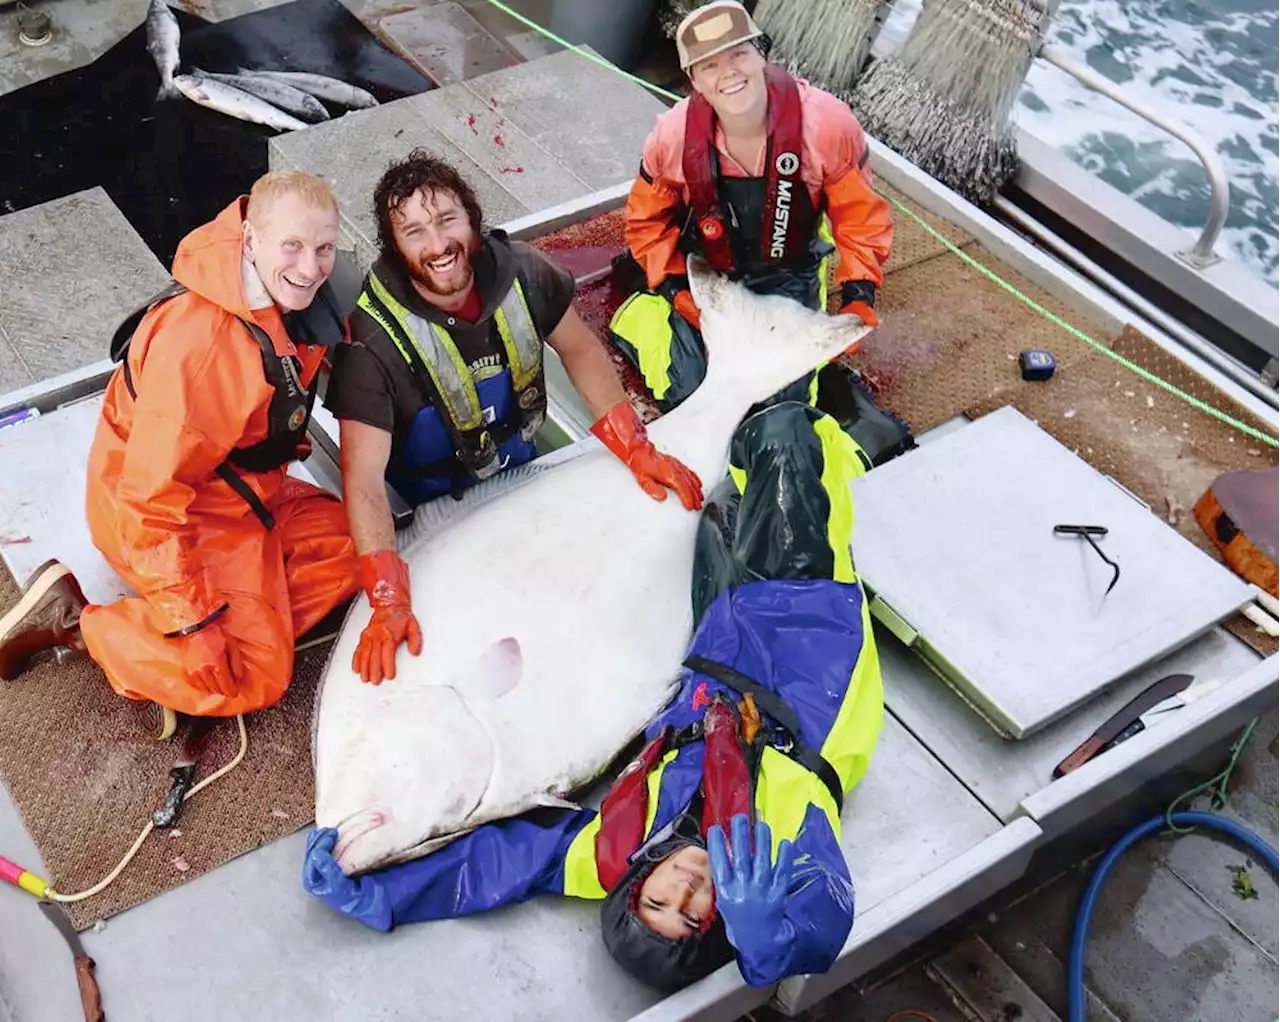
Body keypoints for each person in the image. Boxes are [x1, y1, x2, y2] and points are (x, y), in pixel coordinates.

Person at [301, 399, 885, 993]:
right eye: (692, 917)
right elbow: (827, 907)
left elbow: (495, 867)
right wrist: (772, 944)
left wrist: (371, 888)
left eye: (659, 902)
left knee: (713, 494)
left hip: (711, 641)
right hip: (803, 632)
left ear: (635, 888)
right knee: (782, 434)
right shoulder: (783, 847)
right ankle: (860, 442)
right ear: (719, 925)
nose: (683, 890)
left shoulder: (615, 849)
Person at [322, 150, 704, 686]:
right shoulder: (369, 342)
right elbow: (361, 480)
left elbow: (581, 350)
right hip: (430, 508)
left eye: (447, 220)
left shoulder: (524, 271)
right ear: (395, 248)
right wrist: (387, 595)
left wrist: (635, 445)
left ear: (472, 219)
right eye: (414, 232)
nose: (437, 245)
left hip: (519, 467)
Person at [0, 171, 360, 739]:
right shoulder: (205, 346)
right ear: (250, 240)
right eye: (292, 246)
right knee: (254, 676)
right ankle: (75, 624)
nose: (312, 268)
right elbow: (148, 504)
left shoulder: (283, 292)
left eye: (324, 248)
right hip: (166, 517)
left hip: (239, 494)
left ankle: (227, 624)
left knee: (358, 543)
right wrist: (194, 621)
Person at [611, 0, 895, 412]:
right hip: (708, 274)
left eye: (738, 54)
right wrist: (675, 288)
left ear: (762, 53)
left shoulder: (829, 126)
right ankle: (646, 313)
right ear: (693, 79)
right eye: (709, 65)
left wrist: (859, 294)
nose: (728, 73)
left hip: (788, 270)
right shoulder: (670, 137)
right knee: (690, 391)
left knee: (782, 402)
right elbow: (646, 222)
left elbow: (859, 216)